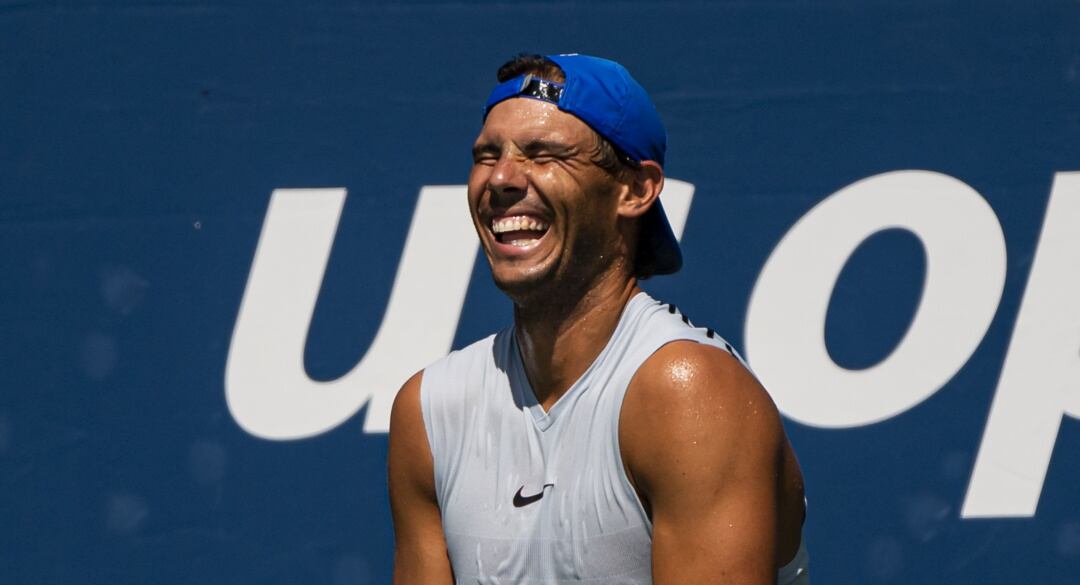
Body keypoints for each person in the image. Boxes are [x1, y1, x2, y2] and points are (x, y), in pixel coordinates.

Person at [388, 53, 808, 584]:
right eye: (487, 155)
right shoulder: (428, 411)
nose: (501, 178)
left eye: (544, 154)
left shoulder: (688, 393)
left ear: (636, 190)